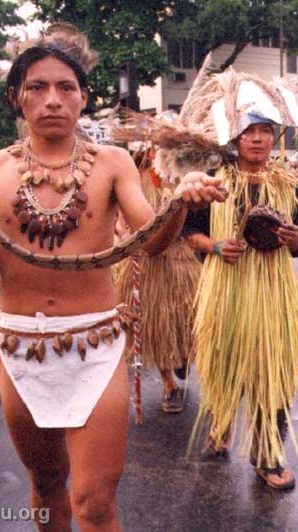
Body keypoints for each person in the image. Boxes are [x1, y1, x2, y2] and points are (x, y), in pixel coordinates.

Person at [0, 25, 224, 531]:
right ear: (17, 98)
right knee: (45, 485)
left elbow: (151, 240)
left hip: (96, 347)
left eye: (66, 87)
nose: (52, 99)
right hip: (19, 349)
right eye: (37, 87)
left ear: (83, 98)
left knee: (94, 502)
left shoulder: (113, 163)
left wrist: (180, 201)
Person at [184, 118, 298, 490]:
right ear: (235, 138)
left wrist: (292, 238)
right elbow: (189, 233)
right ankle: (220, 422)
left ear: (274, 137)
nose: (257, 139)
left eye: (265, 131)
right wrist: (216, 246)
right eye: (248, 132)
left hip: (274, 291)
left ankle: (267, 454)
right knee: (222, 357)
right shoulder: (213, 180)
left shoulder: (288, 182)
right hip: (226, 285)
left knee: (274, 370)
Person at [114, 147, 203, 414]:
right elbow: (120, 222)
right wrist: (126, 235)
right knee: (155, 323)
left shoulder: (182, 178)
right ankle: (168, 385)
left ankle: (184, 356)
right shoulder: (133, 181)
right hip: (147, 262)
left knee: (188, 318)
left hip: (181, 257)